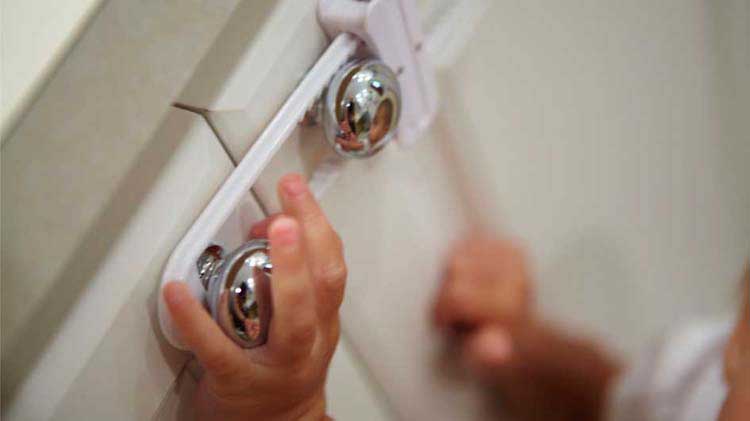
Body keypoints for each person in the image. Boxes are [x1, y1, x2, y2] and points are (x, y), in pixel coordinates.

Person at [163, 174, 749, 421]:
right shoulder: (710, 370)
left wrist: (289, 412)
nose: (726, 360)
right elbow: (628, 404)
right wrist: (524, 347)